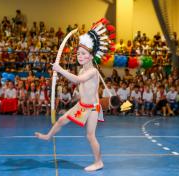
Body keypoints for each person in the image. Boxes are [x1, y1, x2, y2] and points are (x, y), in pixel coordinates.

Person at [35, 18, 115, 172]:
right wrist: (77, 95)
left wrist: (60, 70)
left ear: (91, 56)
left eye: (83, 53)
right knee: (61, 120)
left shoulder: (92, 71)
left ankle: (99, 162)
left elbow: (79, 80)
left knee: (90, 136)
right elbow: (83, 87)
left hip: (91, 108)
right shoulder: (82, 69)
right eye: (78, 53)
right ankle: (47, 136)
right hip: (82, 105)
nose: (79, 56)